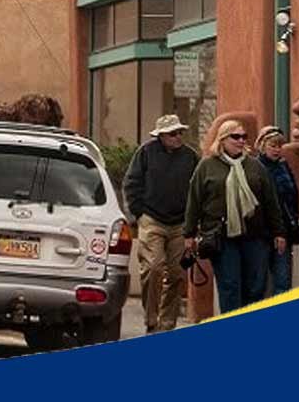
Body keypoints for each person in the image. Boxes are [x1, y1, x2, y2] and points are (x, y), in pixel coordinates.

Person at [184, 120, 287, 314]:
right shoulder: (207, 166)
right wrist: (188, 234)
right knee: (230, 286)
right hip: (221, 236)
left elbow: (270, 202)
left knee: (256, 286)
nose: (241, 141)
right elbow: (194, 200)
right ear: (223, 139)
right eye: (236, 137)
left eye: (244, 137)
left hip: (255, 235)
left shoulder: (255, 166)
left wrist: (278, 232)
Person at [122, 114, 200, 333]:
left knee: (176, 274)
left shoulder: (190, 156)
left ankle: (167, 323)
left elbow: (198, 190)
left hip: (180, 224)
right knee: (153, 268)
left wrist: (193, 223)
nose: (177, 137)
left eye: (179, 133)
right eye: (172, 134)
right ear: (161, 136)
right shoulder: (146, 153)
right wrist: (139, 214)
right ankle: (151, 318)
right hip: (152, 220)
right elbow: (131, 183)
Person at [256, 126, 299, 294]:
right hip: (261, 234)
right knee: (258, 283)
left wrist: (293, 222)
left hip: (285, 231)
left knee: (283, 281)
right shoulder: (255, 167)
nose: (276, 150)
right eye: (272, 145)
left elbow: (293, 198)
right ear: (262, 145)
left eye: (279, 146)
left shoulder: (284, 167)